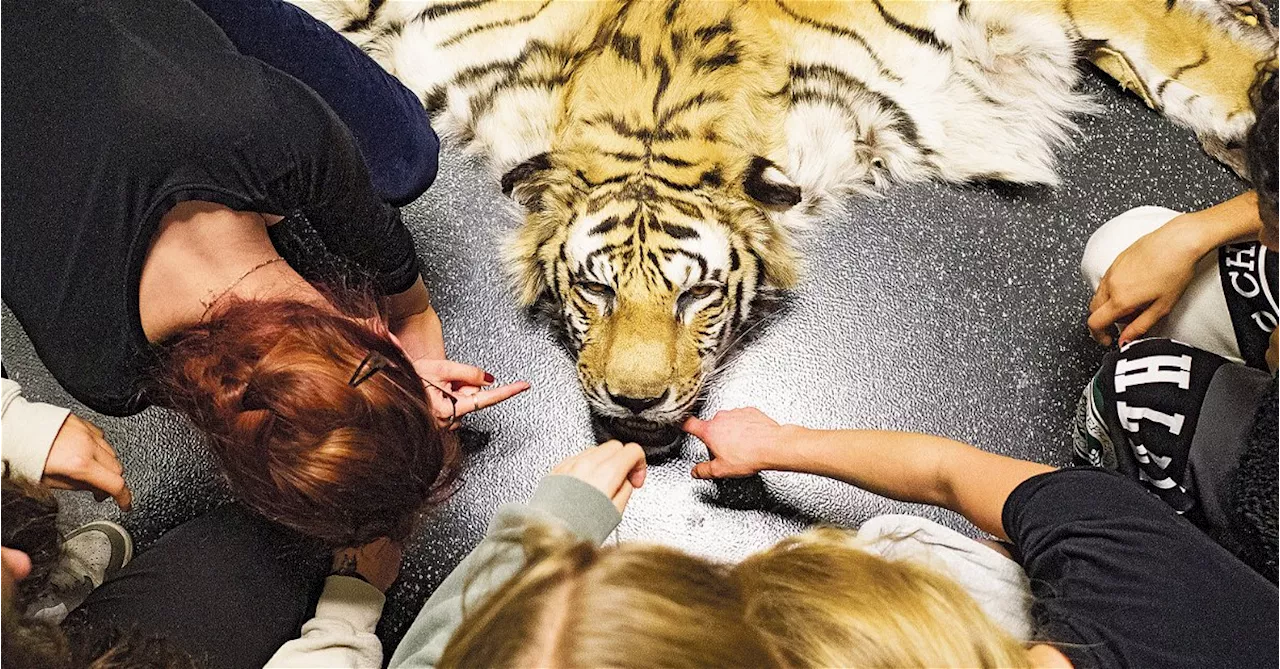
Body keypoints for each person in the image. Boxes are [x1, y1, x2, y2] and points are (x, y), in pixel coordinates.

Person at [0, 0, 529, 547]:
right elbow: (263, 388)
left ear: (369, 328)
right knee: (402, 158)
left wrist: (390, 370)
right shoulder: (101, 371)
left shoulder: (273, 135)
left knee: (404, 158)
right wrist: (371, 388)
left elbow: (401, 292)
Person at [371, 409, 1280, 668]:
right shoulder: (1135, 570)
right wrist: (788, 446)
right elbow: (950, 476)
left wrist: (542, 532)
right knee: (895, 540)